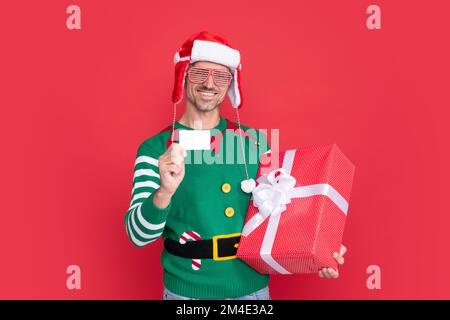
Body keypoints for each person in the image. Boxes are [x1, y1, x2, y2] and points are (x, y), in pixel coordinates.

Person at [124, 31, 346, 300]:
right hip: (188, 294)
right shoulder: (156, 149)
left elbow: (281, 214)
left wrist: (321, 248)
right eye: (199, 73)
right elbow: (138, 236)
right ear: (183, 76)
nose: (209, 83)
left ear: (230, 84)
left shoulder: (256, 142)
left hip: (251, 291)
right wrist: (164, 192)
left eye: (220, 76)